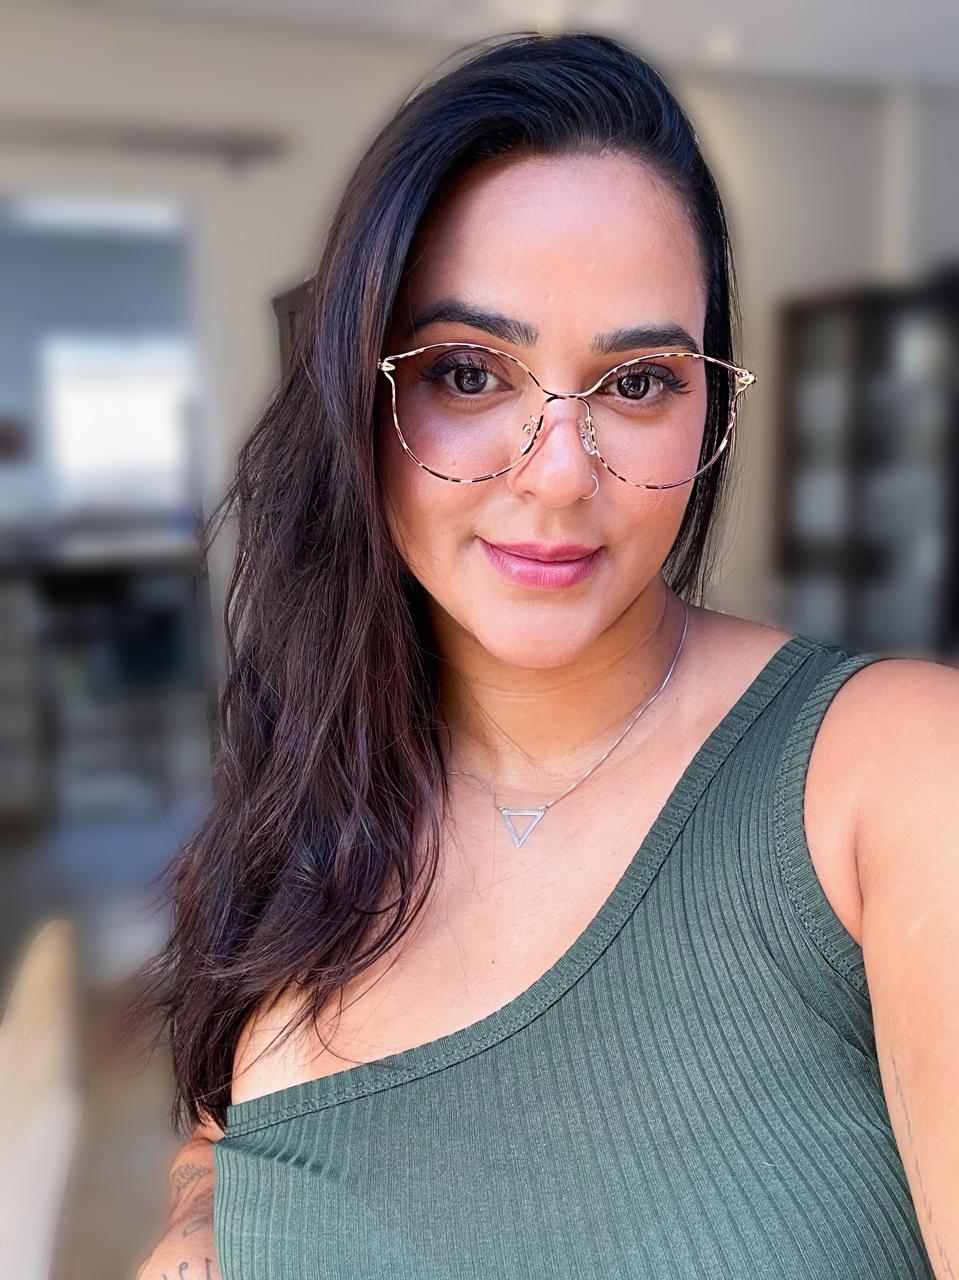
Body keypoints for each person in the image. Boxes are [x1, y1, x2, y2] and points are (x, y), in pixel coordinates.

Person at [130, 28, 958, 1280]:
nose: (560, 473)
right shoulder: (309, 784)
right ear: (361, 395)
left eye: (636, 381)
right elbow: (227, 1121)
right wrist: (198, 1221)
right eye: (470, 372)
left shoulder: (893, 777)